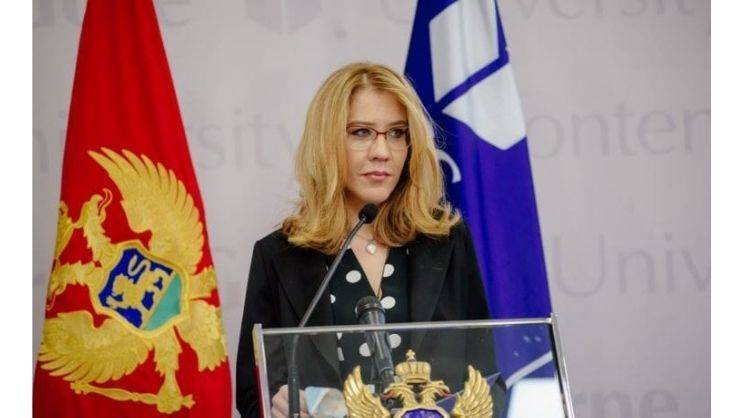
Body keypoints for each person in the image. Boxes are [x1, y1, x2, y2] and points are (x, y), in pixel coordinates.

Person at [236, 62, 505, 418]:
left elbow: (487, 380)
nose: (382, 151)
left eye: (396, 133)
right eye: (361, 132)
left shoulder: (447, 242)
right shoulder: (278, 256)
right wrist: (279, 405)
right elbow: (253, 394)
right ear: (326, 143)